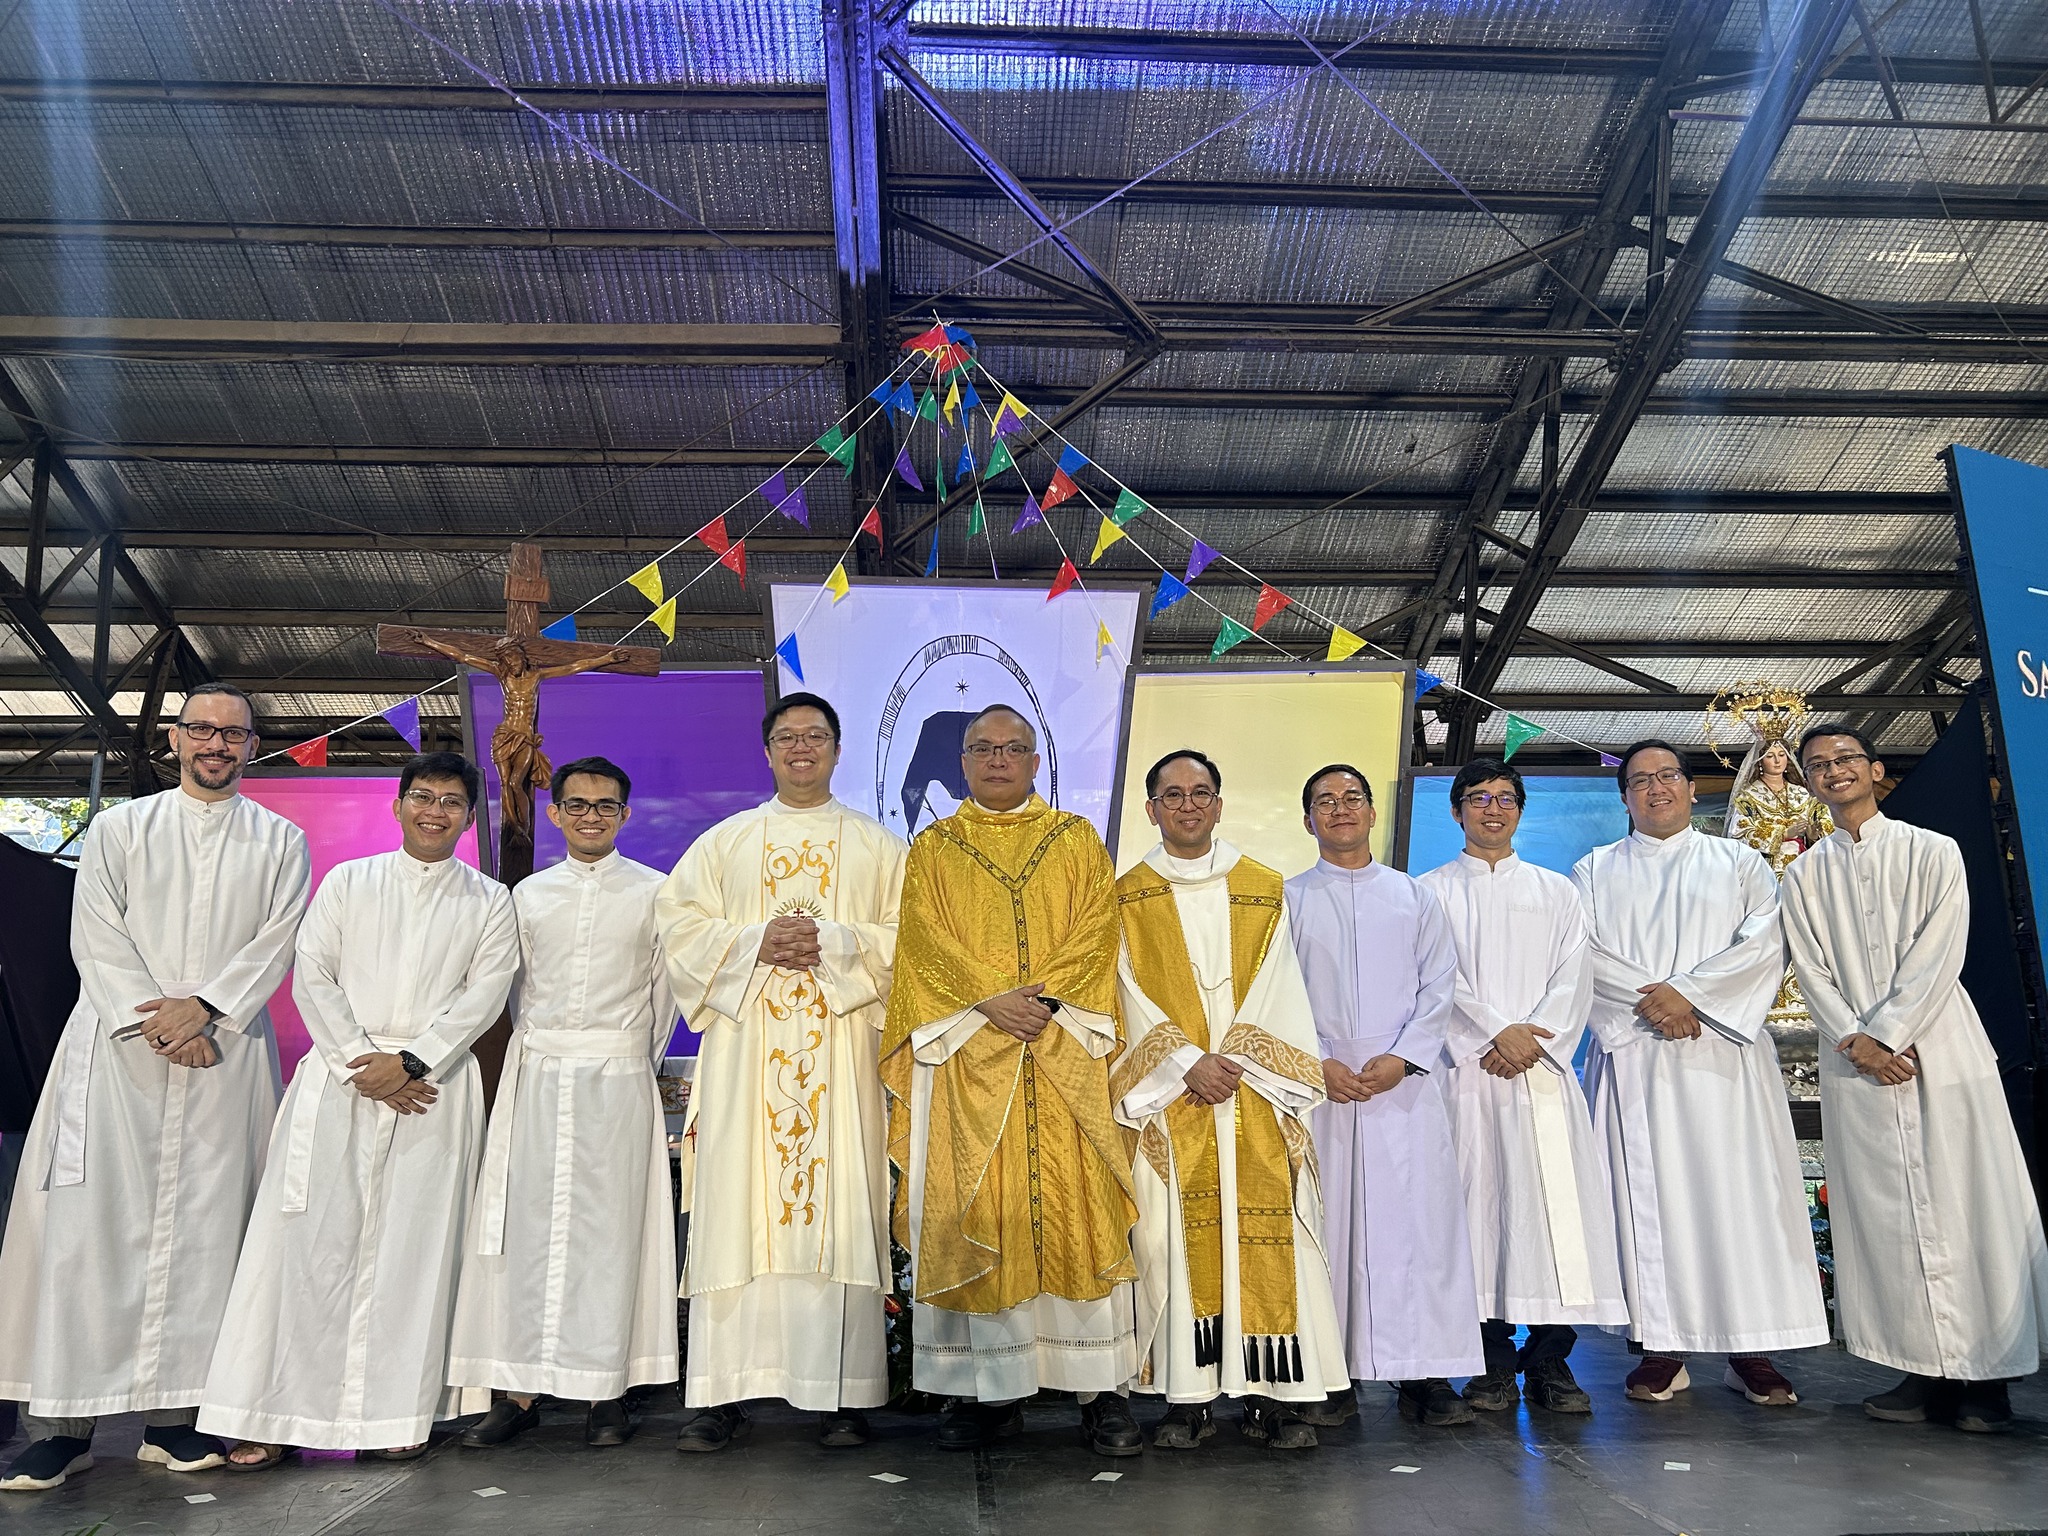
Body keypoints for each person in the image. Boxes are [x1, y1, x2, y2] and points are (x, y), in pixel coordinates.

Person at [0, 685, 310, 1492]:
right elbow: (95, 935)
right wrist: (161, 1024)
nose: (217, 744)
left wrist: (206, 1009)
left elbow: (276, 941)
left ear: (251, 746)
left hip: (223, 1058)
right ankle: (62, 1426)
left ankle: (175, 1420)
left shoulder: (280, 841)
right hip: (116, 1054)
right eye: (203, 730)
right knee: (86, 1233)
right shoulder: (119, 829)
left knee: (211, 1235)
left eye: (234, 734)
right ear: (174, 740)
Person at [199, 752, 520, 1466]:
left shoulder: (489, 901)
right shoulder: (349, 882)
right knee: (306, 1246)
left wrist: (410, 1063)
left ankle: (393, 1413)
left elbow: (485, 993)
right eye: (423, 797)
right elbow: (311, 974)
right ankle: (268, 1411)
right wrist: (362, 1062)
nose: (435, 812)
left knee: (414, 1250)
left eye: (451, 803)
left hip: (433, 1087)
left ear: (470, 820)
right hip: (341, 1076)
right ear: (400, 804)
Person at [883, 703, 1143, 1455]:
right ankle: (983, 1394)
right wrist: (990, 1002)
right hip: (970, 1055)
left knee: (1078, 1201)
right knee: (980, 1205)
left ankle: (1099, 1389)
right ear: (961, 764)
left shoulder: (1075, 839)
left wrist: (1045, 1001)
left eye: (1014, 748)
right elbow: (922, 937)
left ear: (1036, 762)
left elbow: (1098, 926)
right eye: (983, 749)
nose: (999, 760)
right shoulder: (932, 846)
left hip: (1062, 1045)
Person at [1782, 724, 2048, 1433]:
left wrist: (1889, 1034)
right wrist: (1856, 1042)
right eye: (1818, 766)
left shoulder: (1932, 851)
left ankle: (1988, 1377)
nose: (1833, 772)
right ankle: (1919, 1367)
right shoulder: (1806, 874)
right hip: (1855, 1062)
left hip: (1939, 1044)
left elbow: (1940, 949)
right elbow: (1812, 968)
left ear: (1874, 769)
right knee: (1887, 1216)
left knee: (1970, 1208)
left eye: (1844, 760)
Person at [657, 694, 905, 1452]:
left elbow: (910, 939)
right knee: (738, 1208)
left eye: (816, 736)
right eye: (787, 737)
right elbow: (679, 925)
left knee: (841, 1208)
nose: (802, 748)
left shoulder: (879, 846)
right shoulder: (724, 843)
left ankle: (844, 1393)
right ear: (766, 751)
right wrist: (757, 941)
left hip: (843, 1055)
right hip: (744, 1057)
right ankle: (723, 1395)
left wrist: (829, 940)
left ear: (837, 749)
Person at [1574, 739, 1829, 1407]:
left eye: (1667, 777)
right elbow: (1583, 955)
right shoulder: (1594, 869)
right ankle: (1662, 1347)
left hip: (1723, 1059)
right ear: (1624, 797)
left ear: (1691, 789)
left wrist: (1692, 997)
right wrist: (1659, 1005)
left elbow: (1767, 941)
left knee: (1738, 1200)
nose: (1655, 789)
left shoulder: (1740, 862)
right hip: (1639, 1059)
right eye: (1639, 780)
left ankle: (1752, 1348)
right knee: (1652, 1201)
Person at [1113, 751, 1349, 1451]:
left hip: (1251, 1092)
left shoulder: (1262, 886)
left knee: (1271, 1239)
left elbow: (1282, 986)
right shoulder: (1125, 895)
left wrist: (1235, 1060)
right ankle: (1187, 1399)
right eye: (1173, 795)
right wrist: (1185, 1062)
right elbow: (1123, 990)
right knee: (1171, 1246)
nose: (1188, 805)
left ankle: (1272, 1396)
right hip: (1173, 1098)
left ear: (1220, 804)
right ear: (1151, 808)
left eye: (1202, 793)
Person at [448, 756, 677, 1449]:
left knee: (610, 1235)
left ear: (624, 816)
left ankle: (605, 1389)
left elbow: (664, 999)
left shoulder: (658, 894)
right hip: (539, 1073)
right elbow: (505, 992)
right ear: (555, 815)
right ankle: (517, 1391)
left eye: (605, 806)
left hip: (617, 1076)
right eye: (577, 805)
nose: (590, 817)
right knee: (526, 1231)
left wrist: (627, 1058)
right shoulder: (525, 898)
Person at [1416, 759, 1628, 1417]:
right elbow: (1435, 980)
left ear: (1520, 810)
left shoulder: (1557, 891)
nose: (1492, 808)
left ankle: (1551, 1362)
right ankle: (1491, 1364)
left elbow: (1576, 977)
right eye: (1478, 797)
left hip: (1541, 1078)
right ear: (1456, 811)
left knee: (1554, 1217)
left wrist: (1535, 1041)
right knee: (1477, 1220)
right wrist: (1490, 1035)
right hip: (1469, 1079)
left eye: (1505, 798)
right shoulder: (1426, 893)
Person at [1286, 765, 1483, 1429]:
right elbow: (1272, 997)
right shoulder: (1285, 901)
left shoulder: (1414, 897)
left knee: (1418, 1232)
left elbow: (1440, 986)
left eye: (1352, 798)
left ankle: (1423, 1375)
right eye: (1325, 801)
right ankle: (1329, 1375)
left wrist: (1404, 1057)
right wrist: (1316, 1062)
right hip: (1323, 1092)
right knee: (1324, 1233)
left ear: (1372, 814)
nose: (1340, 809)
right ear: (1307, 819)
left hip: (1403, 1090)